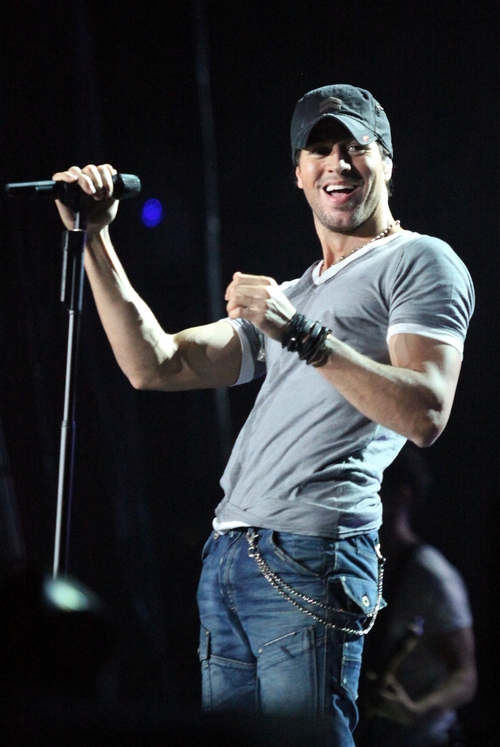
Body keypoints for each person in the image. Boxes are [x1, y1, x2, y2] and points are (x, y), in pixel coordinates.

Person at [52, 84, 474, 746]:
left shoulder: (419, 260)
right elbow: (155, 364)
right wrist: (96, 238)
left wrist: (298, 331)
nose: (337, 163)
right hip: (229, 556)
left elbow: (425, 411)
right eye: (319, 150)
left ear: (386, 162)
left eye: (355, 147)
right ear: (298, 172)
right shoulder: (297, 292)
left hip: (311, 551)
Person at [355, 444, 477, 746]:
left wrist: (415, 711)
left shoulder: (432, 576)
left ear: (400, 496)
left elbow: (465, 675)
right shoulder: (359, 564)